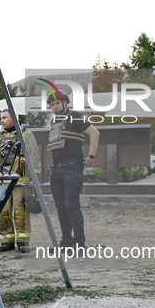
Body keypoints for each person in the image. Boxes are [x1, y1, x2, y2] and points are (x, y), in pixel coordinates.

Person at [47, 90, 99, 249]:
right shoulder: (54, 121)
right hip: (56, 170)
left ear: (65, 102)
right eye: (52, 105)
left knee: (71, 206)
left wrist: (91, 156)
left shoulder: (75, 116)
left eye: (57, 103)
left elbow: (95, 133)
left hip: (72, 168)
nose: (54, 107)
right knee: (61, 208)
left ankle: (79, 244)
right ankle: (66, 242)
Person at [0, 109, 41, 253]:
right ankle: (6, 241)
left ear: (14, 118)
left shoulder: (26, 135)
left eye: (4, 117)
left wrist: (34, 177)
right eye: (1, 118)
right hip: (2, 183)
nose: (1, 120)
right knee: (3, 212)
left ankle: (22, 242)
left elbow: (34, 156)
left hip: (21, 181)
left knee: (21, 212)